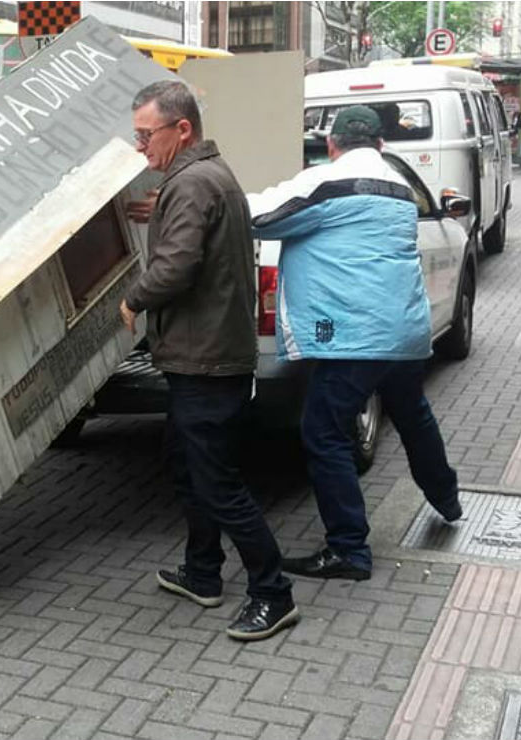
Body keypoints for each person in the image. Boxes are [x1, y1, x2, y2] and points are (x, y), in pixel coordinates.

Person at [246, 105, 462, 582]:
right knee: (412, 416)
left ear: (332, 145)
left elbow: (262, 216)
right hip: (402, 329)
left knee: (323, 432)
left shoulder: (328, 181)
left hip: (354, 336)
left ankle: (348, 550)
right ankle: (447, 498)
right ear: (381, 145)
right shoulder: (400, 186)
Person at [119, 81, 297, 642]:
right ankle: (203, 574)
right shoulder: (198, 178)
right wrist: (163, 209)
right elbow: (191, 230)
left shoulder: (192, 183)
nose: (141, 147)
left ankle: (273, 592)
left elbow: (175, 266)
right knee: (187, 464)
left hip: (206, 362)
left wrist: (133, 299)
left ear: (183, 130)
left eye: (146, 136)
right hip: (203, 357)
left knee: (217, 482)